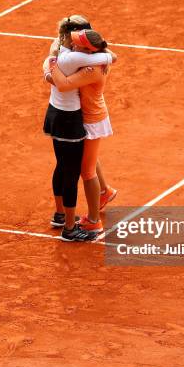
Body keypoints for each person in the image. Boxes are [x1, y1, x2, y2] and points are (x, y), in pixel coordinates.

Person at [42, 16, 116, 241]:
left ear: (86, 50)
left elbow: (63, 84)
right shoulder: (86, 59)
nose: (72, 43)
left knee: (86, 171)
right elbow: (111, 55)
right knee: (85, 162)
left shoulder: (91, 68)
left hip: (92, 120)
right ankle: (105, 191)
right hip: (82, 117)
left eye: (77, 42)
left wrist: (50, 66)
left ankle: (94, 222)